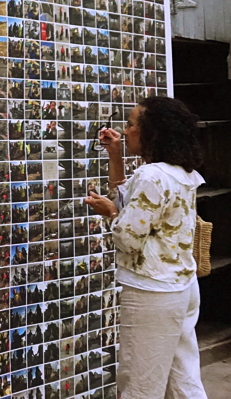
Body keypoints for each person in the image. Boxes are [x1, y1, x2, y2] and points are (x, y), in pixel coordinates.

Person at [84, 96, 208, 399]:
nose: (125, 131)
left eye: (130, 125)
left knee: (140, 383)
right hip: (181, 286)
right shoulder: (179, 171)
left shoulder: (151, 175)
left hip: (152, 291)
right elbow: (136, 204)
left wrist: (111, 213)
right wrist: (115, 156)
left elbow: (127, 237)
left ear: (150, 131)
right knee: (184, 378)